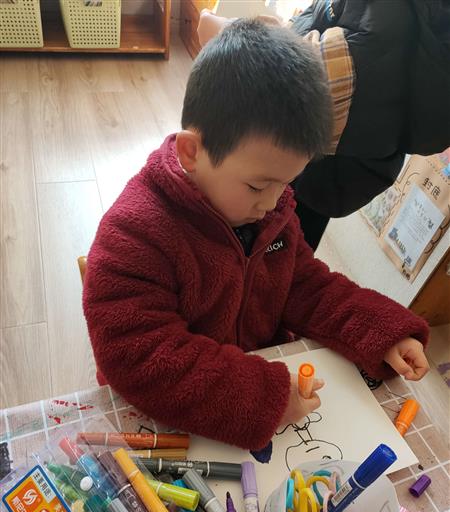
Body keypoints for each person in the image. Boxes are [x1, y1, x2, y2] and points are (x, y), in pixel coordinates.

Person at [83, 20, 429, 452]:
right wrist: (262, 397)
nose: (273, 202)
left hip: (253, 394)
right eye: (257, 185)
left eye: (286, 184)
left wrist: (381, 331)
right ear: (192, 152)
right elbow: (137, 354)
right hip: (167, 422)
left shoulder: (271, 213)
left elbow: (306, 285)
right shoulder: (136, 230)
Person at [198, 1, 450, 249]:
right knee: (280, 249)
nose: (269, 202)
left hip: (296, 163)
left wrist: (228, 34)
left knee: (240, 246)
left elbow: (301, 84)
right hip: (326, 178)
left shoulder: (394, 18)